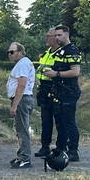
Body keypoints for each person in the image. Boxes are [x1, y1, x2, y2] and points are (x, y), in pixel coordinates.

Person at [42, 24, 82, 162]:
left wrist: (56, 73)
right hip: (58, 91)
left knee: (69, 122)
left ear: (66, 34)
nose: (57, 38)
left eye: (60, 35)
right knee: (60, 123)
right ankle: (61, 148)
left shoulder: (72, 50)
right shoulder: (60, 51)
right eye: (56, 35)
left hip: (69, 92)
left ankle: (73, 150)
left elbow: (75, 72)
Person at [6, 43, 36, 169]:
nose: (9, 55)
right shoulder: (22, 63)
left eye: (12, 52)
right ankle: (21, 156)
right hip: (23, 99)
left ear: (21, 52)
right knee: (20, 129)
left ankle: (25, 158)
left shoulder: (23, 63)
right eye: (8, 52)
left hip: (22, 100)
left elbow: (21, 85)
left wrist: (14, 105)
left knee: (22, 129)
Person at [34, 29, 60, 157]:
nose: (46, 38)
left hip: (55, 87)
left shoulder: (60, 54)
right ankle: (45, 146)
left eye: (48, 36)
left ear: (55, 37)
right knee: (45, 120)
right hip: (44, 88)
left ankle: (61, 147)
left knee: (59, 120)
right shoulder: (46, 54)